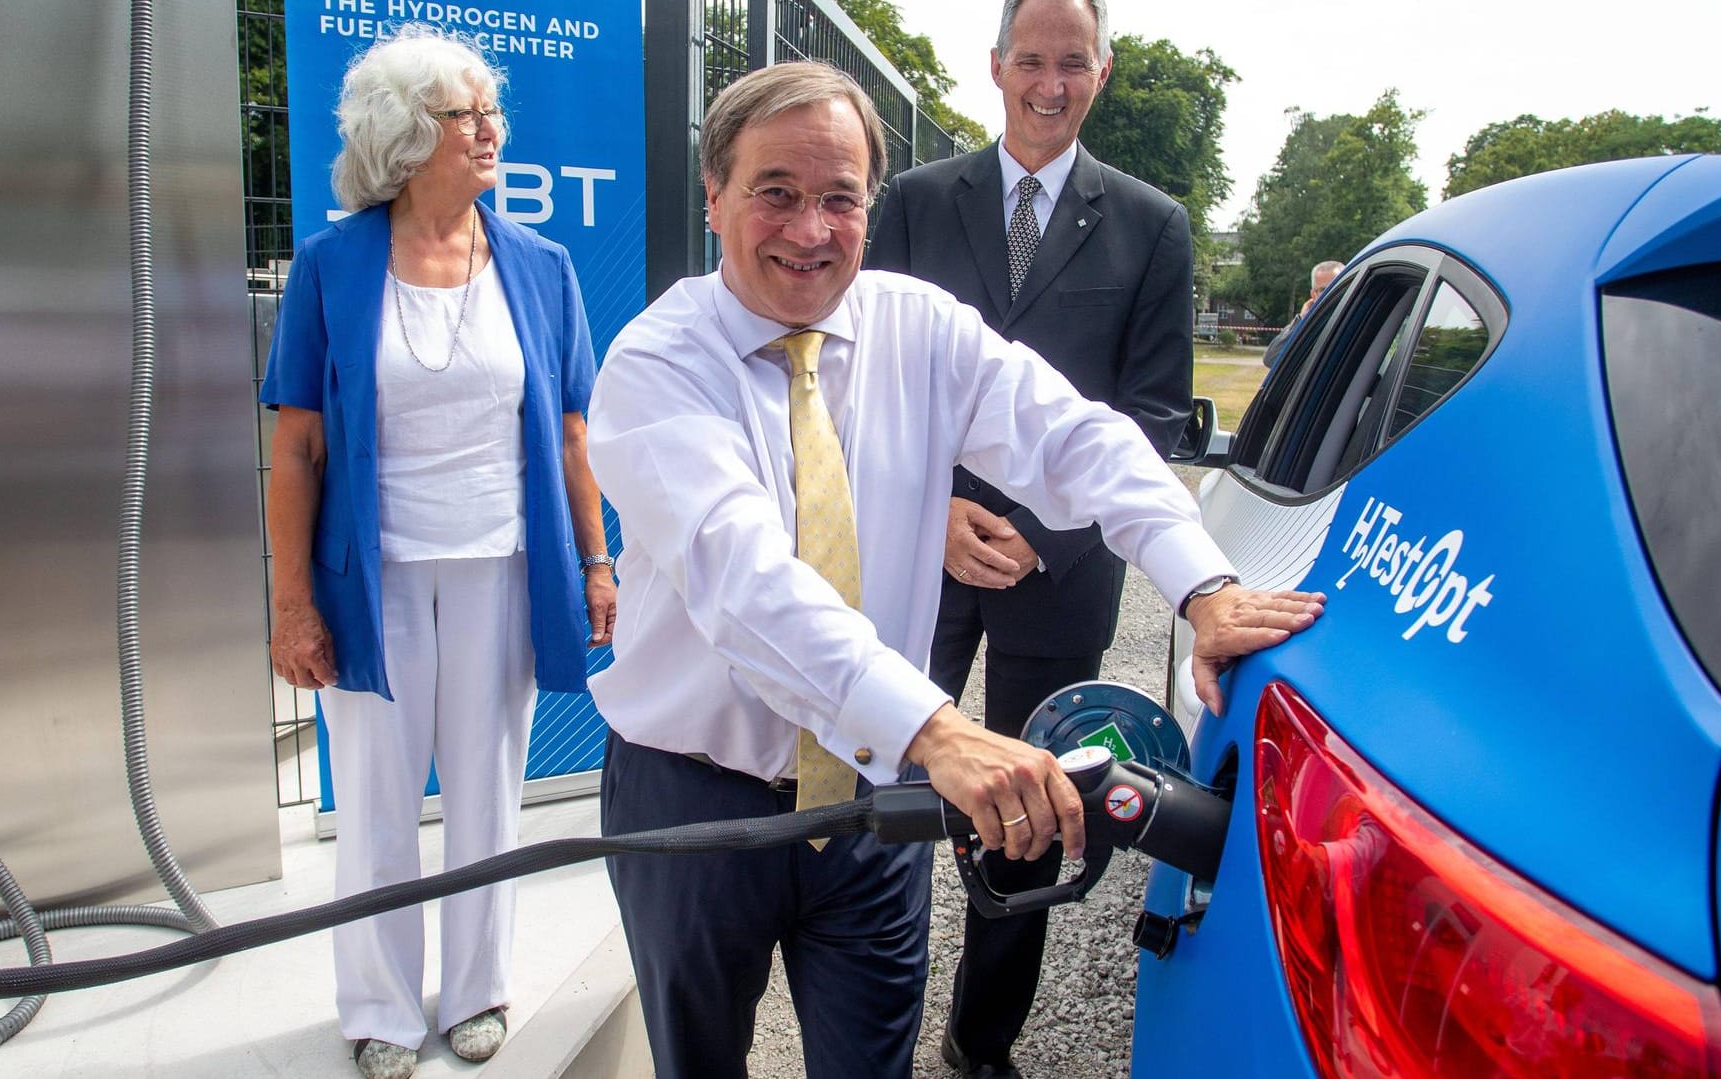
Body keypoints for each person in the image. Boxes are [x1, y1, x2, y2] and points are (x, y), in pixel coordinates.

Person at [584, 60, 1323, 1079]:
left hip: (874, 801)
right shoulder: (657, 362)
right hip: (698, 802)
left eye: (840, 198)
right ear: (714, 199)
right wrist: (942, 730)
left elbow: (1079, 440)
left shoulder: (918, 327)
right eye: (777, 195)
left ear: (870, 206)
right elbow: (747, 579)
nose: (811, 229)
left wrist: (1203, 585)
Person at [258, 25, 615, 1079]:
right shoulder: (332, 265)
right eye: (469, 115)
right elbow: (297, 446)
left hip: (504, 564)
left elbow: (570, 434)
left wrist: (599, 563)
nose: (492, 131)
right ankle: (374, 1006)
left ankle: (477, 989)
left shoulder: (541, 265)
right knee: (372, 799)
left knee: (487, 788)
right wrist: (288, 601)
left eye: (489, 113)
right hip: (371, 577)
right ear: (409, 135)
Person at [864, 1, 1191, 1070]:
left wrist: (1039, 530)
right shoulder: (911, 203)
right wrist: (935, 511)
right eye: (1032, 62)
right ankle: (867, 1024)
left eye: (1073, 64)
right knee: (891, 788)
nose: (1050, 83)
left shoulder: (1153, 225)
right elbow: (865, 379)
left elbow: (1146, 417)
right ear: (996, 66)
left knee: (1035, 812)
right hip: (923, 552)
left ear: (1104, 70)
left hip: (1063, 569)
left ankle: (979, 1037)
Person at [1262, 259, 1345, 367]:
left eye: (1338, 286)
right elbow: (1271, 359)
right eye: (1324, 290)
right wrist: (1301, 320)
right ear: (1313, 295)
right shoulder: (1311, 327)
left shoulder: (1364, 314)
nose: (1332, 293)